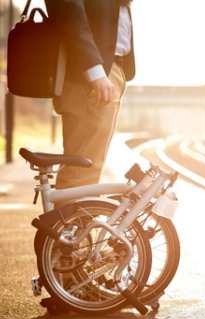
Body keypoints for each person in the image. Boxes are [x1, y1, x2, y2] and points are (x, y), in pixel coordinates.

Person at [45, 0, 135, 189]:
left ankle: (75, 218)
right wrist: (95, 72)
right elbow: (67, 10)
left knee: (89, 167)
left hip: (109, 68)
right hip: (91, 74)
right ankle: (73, 218)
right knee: (82, 170)